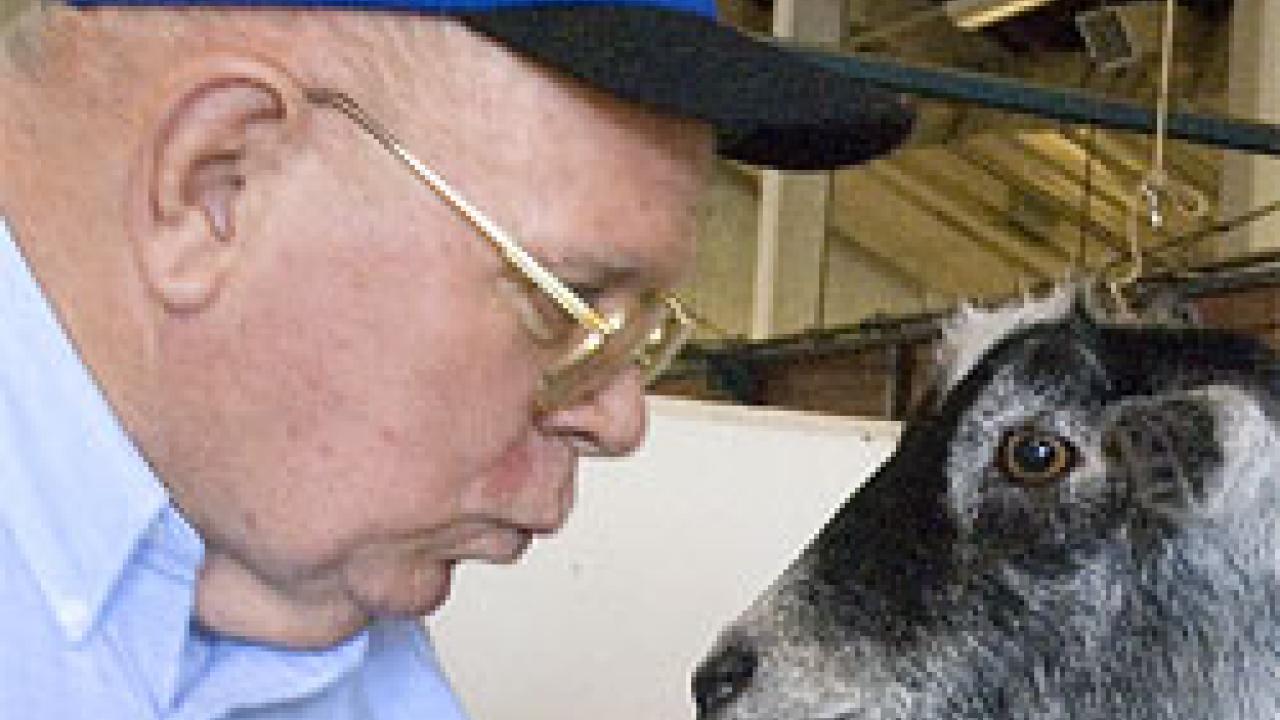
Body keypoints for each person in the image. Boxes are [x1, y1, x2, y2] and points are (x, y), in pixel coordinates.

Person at [0, 0, 913, 717]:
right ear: (216, 184)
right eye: (564, 304)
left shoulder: (311, 608)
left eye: (640, 327)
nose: (619, 416)